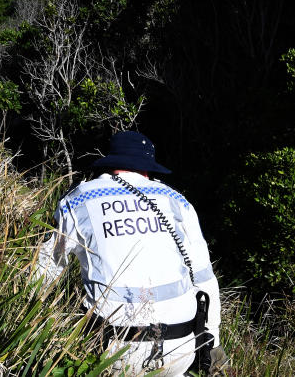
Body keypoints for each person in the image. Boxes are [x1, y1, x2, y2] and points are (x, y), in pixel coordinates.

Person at [37, 131, 224, 376]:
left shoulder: (79, 199)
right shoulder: (176, 200)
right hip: (181, 346)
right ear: (147, 169)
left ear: (110, 162)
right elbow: (204, 278)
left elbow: (44, 270)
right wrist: (214, 344)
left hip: (114, 348)